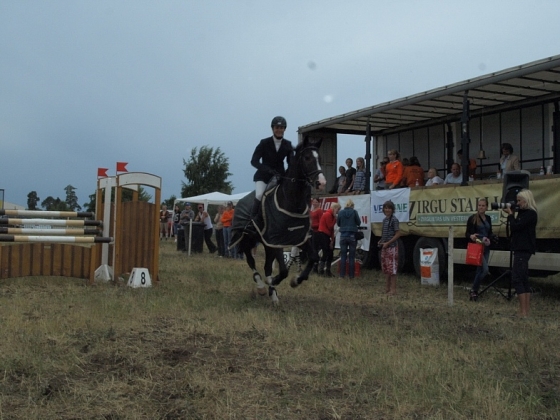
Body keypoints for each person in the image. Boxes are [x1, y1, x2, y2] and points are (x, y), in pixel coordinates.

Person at [247, 116, 293, 233]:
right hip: (263, 177)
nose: (279, 130)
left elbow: (291, 163)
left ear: (284, 129)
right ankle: (252, 221)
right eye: (277, 127)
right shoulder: (264, 143)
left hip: (279, 177)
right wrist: (267, 169)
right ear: (273, 128)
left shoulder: (288, 144)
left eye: (281, 128)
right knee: (259, 195)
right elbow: (254, 161)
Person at [503, 189, 538, 317]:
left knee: (517, 278)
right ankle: (525, 311)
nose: (517, 203)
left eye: (519, 201)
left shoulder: (531, 214)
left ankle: (523, 311)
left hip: (523, 249)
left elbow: (516, 227)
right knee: (523, 278)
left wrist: (511, 215)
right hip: (520, 248)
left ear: (526, 200)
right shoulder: (524, 213)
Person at [465, 198, 494, 301]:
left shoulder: (488, 218)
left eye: (483, 205)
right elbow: (467, 233)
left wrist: (491, 238)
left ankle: (474, 291)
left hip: (486, 246)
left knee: (479, 270)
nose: (481, 207)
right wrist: (471, 236)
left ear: (486, 207)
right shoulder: (473, 218)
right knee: (485, 270)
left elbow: (490, 231)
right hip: (478, 247)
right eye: (479, 205)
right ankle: (474, 288)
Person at [378, 200, 400, 295]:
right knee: (386, 269)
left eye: (389, 208)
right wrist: (381, 241)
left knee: (392, 269)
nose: (387, 210)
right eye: (386, 208)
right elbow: (384, 233)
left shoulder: (394, 220)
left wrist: (388, 242)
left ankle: (393, 289)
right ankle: (387, 288)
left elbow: (398, 234)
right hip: (385, 247)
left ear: (392, 210)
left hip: (392, 247)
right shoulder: (384, 220)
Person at [337, 199, 361, 279]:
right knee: (351, 256)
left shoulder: (340, 212)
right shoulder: (354, 212)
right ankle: (351, 276)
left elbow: (338, 223)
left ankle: (341, 275)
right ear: (352, 205)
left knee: (343, 256)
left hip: (343, 235)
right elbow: (358, 222)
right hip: (352, 236)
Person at [316, 202, 341, 277]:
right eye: (338, 210)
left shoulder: (331, 215)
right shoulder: (327, 214)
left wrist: (332, 240)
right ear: (334, 208)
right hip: (323, 234)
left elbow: (332, 230)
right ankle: (321, 270)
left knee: (330, 253)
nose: (338, 211)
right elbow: (330, 226)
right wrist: (335, 220)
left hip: (327, 235)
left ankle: (327, 270)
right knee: (325, 252)